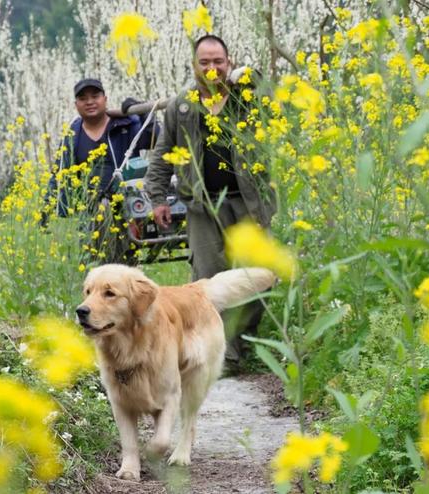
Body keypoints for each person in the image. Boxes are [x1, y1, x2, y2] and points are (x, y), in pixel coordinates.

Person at [143, 35, 276, 371]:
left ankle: (243, 343)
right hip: (202, 207)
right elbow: (162, 154)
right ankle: (224, 355)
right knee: (208, 281)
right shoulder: (182, 106)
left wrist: (252, 76)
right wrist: (157, 197)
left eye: (219, 61)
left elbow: (273, 103)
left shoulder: (245, 97)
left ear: (229, 63)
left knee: (258, 275)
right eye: (205, 62)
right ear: (194, 65)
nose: (212, 68)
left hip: (248, 203)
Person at [43, 78, 157, 264]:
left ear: (105, 98)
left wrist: (144, 112)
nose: (89, 102)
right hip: (89, 212)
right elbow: (60, 172)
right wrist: (47, 207)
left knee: (125, 264)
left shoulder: (125, 125)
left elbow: (154, 139)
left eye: (95, 96)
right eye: (83, 98)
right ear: (76, 104)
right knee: (91, 263)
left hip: (125, 206)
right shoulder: (73, 135)